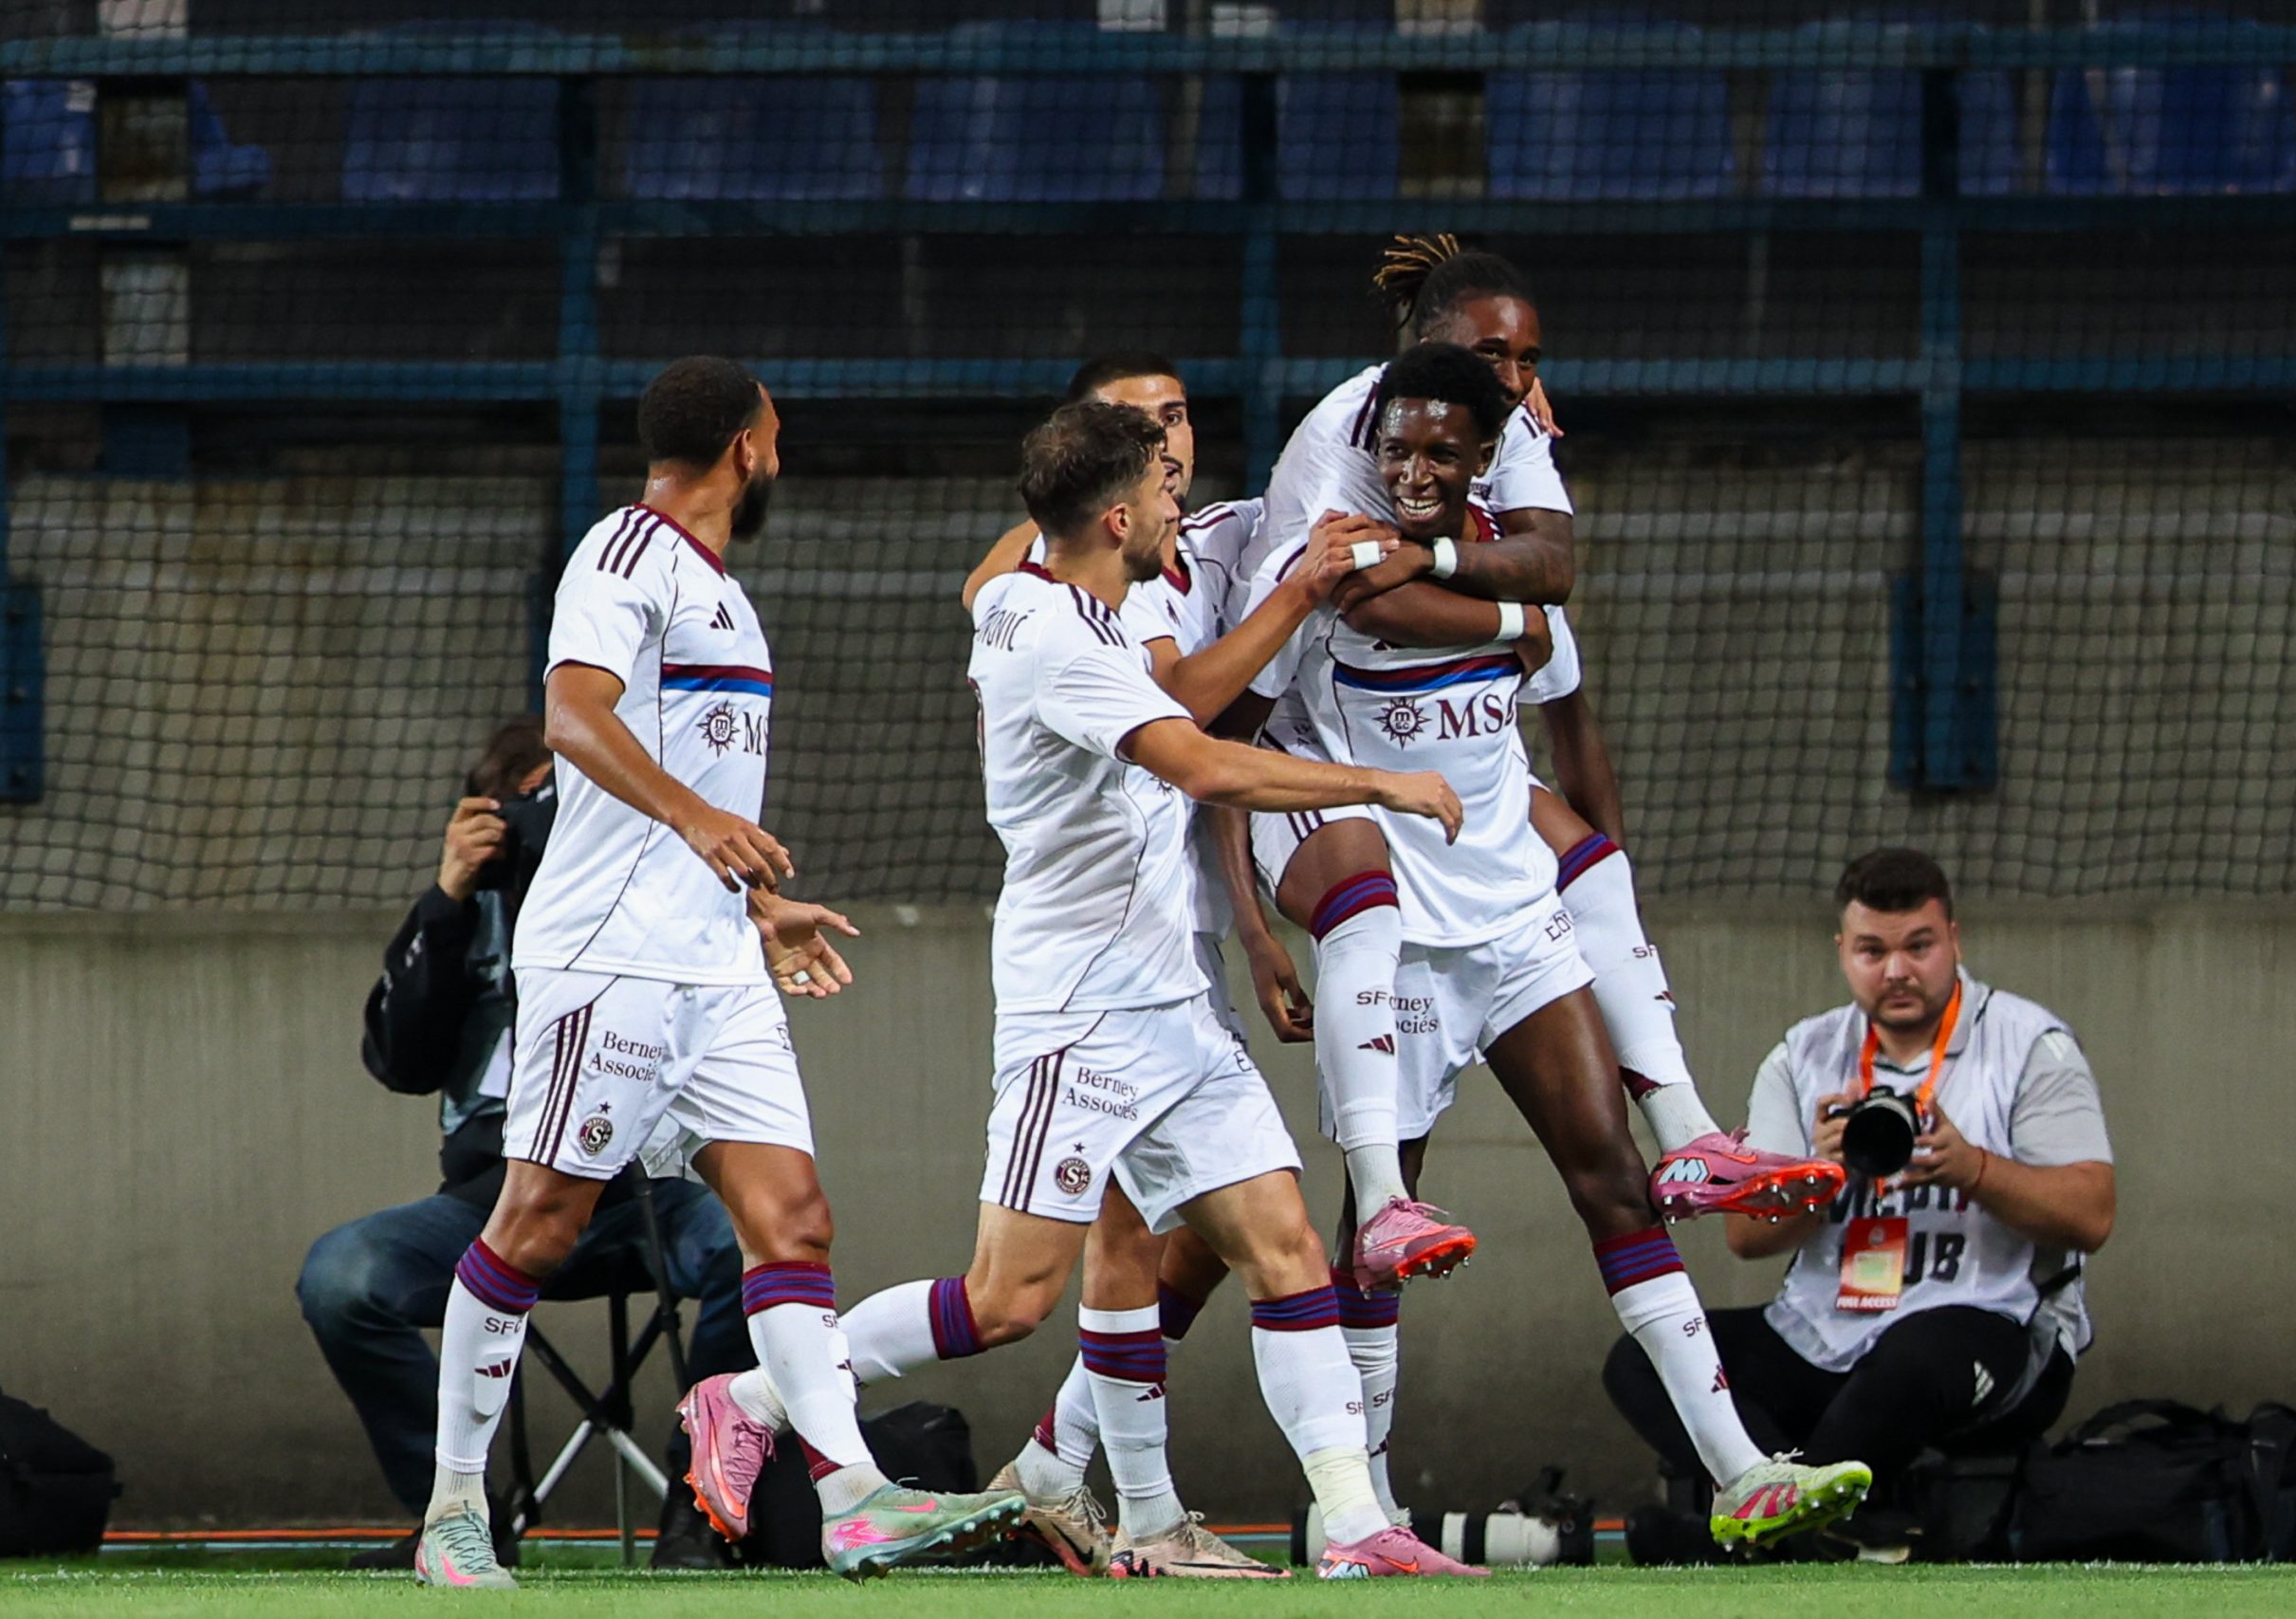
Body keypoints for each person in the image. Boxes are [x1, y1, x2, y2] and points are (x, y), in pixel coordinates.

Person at [689, 398, 1490, 1579]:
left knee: (1282, 1248)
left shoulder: (1030, 592)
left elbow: (1011, 561)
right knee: (1007, 1299)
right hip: (1079, 1019)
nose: (1181, 503)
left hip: (1170, 1003)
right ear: (1117, 517)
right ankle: (756, 1395)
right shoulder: (1060, 644)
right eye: (1162, 489)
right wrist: (1385, 781)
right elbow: (1203, 761)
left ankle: (1352, 1527)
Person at [1228, 342, 1874, 1551]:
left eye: (1441, 453)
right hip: (1401, 935)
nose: (1413, 469)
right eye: (1398, 447)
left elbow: (1564, 709)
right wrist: (1256, 921)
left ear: (1482, 462)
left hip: (1516, 925)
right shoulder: (1320, 567)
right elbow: (1224, 748)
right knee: (1384, 1217)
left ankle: (1740, 1473)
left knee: (1615, 1182)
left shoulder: (1513, 584)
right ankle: (1351, 1511)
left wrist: (1605, 886)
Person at [407, 356, 1023, 1589]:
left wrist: (757, 900)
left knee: (792, 1217)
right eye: (776, 437)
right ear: (747, 446)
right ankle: (453, 1509)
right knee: (538, 1220)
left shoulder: (721, 592)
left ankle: (852, 1493)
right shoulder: (623, 554)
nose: (780, 457)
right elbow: (575, 716)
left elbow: (689, 782)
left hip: (715, 958)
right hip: (609, 955)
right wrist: (698, 826)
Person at [298, 716, 747, 1572]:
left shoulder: (651, 898)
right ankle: (459, 1514)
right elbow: (396, 1058)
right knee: (343, 1275)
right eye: (520, 805)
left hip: (640, 1189)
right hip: (492, 1199)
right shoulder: (471, 912)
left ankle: (703, 1511)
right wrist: (449, 894)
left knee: (750, 1251)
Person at [1604, 848, 2117, 1561]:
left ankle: (1759, 1541)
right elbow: (1748, 1240)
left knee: (1910, 1359)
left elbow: (2092, 1214)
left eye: (1918, 946)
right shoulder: (1803, 1053)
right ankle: (1818, 1522)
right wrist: (1819, 1171)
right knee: (1647, 1357)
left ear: (1954, 941)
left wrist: (1974, 1169)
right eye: (1873, 950)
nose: (1897, 970)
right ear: (1843, 950)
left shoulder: (2029, 1044)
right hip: (1827, 1328)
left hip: (1991, 1321)